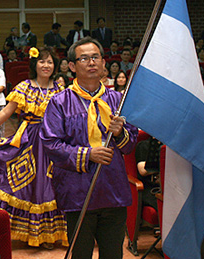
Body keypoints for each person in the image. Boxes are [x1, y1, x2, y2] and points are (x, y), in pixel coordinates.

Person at [40, 37, 138, 258]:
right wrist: (87, 154)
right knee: (81, 254)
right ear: (73, 66)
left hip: (113, 190)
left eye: (96, 57)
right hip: (78, 193)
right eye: (84, 58)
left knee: (113, 253)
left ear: (103, 63)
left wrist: (119, 133)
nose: (91, 62)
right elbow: (50, 144)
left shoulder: (118, 100)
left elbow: (130, 144)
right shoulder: (59, 102)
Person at [0, 46, 67, 248]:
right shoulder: (24, 86)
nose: (46, 65)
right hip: (29, 142)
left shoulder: (60, 90)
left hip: (53, 143)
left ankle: (48, 234)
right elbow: (6, 112)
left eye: (50, 62)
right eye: (42, 61)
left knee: (50, 185)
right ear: (35, 64)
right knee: (30, 185)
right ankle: (32, 232)